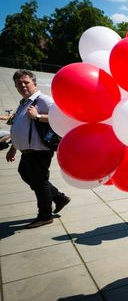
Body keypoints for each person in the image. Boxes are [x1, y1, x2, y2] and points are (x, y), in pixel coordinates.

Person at [6, 70, 70, 228]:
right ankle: (59, 197)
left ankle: (45, 215)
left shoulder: (43, 100)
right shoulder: (24, 102)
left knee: (39, 182)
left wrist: (38, 117)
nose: (22, 85)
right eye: (19, 83)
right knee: (27, 174)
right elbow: (19, 126)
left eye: (25, 82)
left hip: (39, 150)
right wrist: (13, 147)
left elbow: (62, 116)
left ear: (34, 83)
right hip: (27, 150)